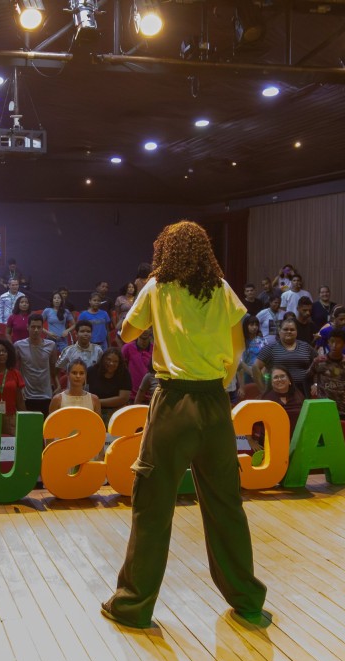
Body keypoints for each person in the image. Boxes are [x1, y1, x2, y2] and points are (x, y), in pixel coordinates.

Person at [102, 220, 267, 630]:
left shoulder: (158, 287)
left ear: (165, 253)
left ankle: (133, 605)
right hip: (215, 403)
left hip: (173, 402)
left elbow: (127, 332)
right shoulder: (222, 288)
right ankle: (247, 599)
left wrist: (148, 308)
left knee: (153, 506)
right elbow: (238, 346)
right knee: (226, 505)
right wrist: (221, 377)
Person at [254, 318, 316, 397]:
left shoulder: (305, 346)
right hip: (277, 393)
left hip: (304, 391)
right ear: (279, 331)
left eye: (292, 329)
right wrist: (262, 390)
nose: (289, 331)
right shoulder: (270, 348)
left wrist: (316, 384)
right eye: (285, 329)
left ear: (296, 332)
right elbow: (255, 367)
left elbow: (319, 364)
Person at [14, 313, 58, 416]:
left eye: (39, 327)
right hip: (26, 395)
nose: (36, 330)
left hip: (46, 395)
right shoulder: (18, 345)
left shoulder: (51, 345)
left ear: (43, 328)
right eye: (33, 327)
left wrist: (57, 385)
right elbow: (15, 370)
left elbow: (53, 369)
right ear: (28, 327)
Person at [309, 328, 345, 422]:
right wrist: (313, 385)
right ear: (328, 342)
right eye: (332, 341)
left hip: (344, 407)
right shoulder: (319, 361)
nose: (334, 345)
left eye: (338, 342)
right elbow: (307, 376)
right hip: (325, 407)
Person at [87, 348, 132, 423]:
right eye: (108, 359)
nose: (111, 363)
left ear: (119, 363)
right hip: (93, 411)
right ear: (103, 359)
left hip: (117, 412)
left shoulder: (124, 373)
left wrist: (97, 402)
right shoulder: (92, 371)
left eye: (115, 361)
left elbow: (124, 398)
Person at [259, 367, 304, 434]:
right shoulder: (266, 399)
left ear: (289, 380)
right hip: (273, 438)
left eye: (282, 376)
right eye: (276, 377)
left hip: (298, 438)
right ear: (271, 382)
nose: (279, 379)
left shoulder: (298, 396)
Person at [236, 316, 267, 400]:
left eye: (256, 325)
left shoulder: (263, 341)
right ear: (246, 326)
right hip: (245, 374)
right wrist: (241, 387)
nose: (254, 327)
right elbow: (239, 365)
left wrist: (261, 373)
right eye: (251, 325)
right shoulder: (240, 342)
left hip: (261, 373)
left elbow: (267, 359)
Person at [121, 329, 153, 396]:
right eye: (142, 327)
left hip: (151, 396)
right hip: (131, 396)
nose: (144, 330)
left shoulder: (156, 349)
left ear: (151, 330)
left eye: (147, 327)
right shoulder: (127, 348)